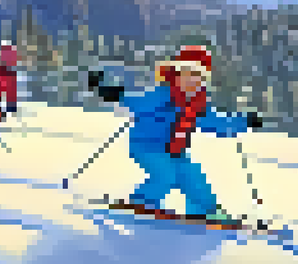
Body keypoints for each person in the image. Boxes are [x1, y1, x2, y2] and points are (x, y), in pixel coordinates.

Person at [90, 45, 264, 223]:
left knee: (193, 175)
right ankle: (142, 202)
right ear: (177, 74)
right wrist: (108, 90)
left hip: (175, 151)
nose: (193, 81)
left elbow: (217, 122)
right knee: (166, 174)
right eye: (188, 74)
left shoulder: (198, 104)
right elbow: (136, 101)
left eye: (199, 76)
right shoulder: (162, 95)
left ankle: (205, 210)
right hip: (148, 147)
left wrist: (243, 122)